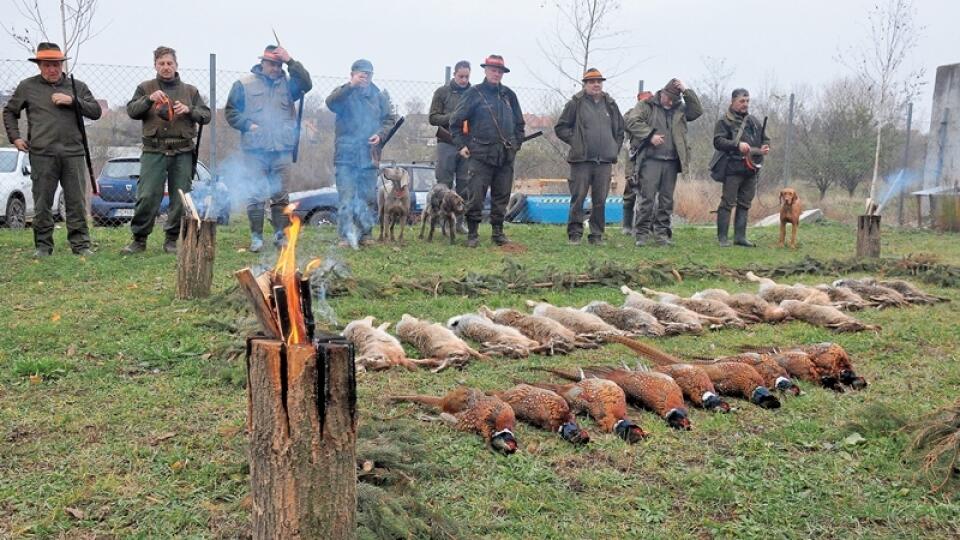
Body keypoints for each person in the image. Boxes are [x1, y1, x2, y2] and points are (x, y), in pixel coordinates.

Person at [3, 42, 101, 257]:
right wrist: (15, 138)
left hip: (73, 152)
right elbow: (10, 111)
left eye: (56, 64)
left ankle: (81, 245)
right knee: (42, 202)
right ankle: (43, 246)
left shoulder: (77, 86)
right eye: (47, 65)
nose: (52, 69)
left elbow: (95, 112)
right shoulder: (27, 87)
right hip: (42, 153)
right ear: (39, 65)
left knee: (75, 201)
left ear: (61, 64)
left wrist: (73, 101)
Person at [122, 46, 211, 254]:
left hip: (182, 151)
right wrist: (149, 99)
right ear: (155, 65)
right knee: (147, 195)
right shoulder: (145, 88)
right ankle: (139, 239)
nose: (166, 67)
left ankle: (172, 239)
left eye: (169, 63)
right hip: (154, 151)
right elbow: (132, 111)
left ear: (176, 65)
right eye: (161, 63)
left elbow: (206, 115)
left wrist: (189, 110)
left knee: (181, 197)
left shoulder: (190, 91)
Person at [225, 45, 312, 253]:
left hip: (281, 149)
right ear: (262, 63)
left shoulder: (289, 85)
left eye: (278, 64)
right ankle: (256, 237)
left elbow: (307, 83)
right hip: (255, 150)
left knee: (281, 195)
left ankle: (280, 235)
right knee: (255, 194)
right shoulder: (243, 85)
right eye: (271, 63)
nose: (275, 68)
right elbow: (231, 112)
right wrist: (247, 125)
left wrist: (291, 60)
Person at [450, 54, 524, 248]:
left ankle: (498, 233)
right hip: (480, 154)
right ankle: (473, 234)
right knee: (476, 196)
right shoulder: (474, 93)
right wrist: (462, 145)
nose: (496, 74)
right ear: (485, 70)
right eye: (493, 70)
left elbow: (520, 124)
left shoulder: (509, 95)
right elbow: (455, 123)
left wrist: (516, 144)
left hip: (505, 155)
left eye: (499, 71)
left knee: (502, 196)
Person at [325, 58, 396, 249]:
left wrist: (380, 136)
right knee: (346, 197)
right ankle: (345, 236)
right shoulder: (343, 93)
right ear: (352, 74)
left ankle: (365, 235)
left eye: (368, 74)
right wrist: (351, 86)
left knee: (368, 197)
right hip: (346, 157)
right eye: (361, 74)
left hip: (369, 155)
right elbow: (330, 103)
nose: (365, 78)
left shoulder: (378, 96)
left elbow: (389, 119)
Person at [624, 78, 702, 246]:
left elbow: (697, 111)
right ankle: (641, 235)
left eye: (675, 99)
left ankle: (662, 235)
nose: (671, 102)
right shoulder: (646, 106)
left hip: (672, 161)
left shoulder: (679, 109)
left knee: (666, 201)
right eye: (670, 98)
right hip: (651, 160)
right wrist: (649, 135)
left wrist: (686, 90)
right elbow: (631, 121)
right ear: (663, 93)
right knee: (647, 199)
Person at [554, 68, 624, 245]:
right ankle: (575, 234)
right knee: (578, 198)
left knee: (600, 200)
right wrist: (577, 142)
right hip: (581, 161)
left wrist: (613, 148)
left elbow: (620, 130)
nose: (596, 84)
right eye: (592, 82)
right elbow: (560, 128)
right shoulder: (575, 103)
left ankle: (596, 235)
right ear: (585, 84)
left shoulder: (611, 104)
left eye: (599, 81)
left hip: (604, 162)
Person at [709, 88, 770, 247]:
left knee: (745, 203)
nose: (745, 104)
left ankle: (740, 237)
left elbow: (765, 139)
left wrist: (765, 146)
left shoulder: (754, 121)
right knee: (727, 203)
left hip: (751, 169)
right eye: (742, 101)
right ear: (733, 101)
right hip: (732, 167)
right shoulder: (724, 121)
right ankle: (722, 238)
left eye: (747, 101)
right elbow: (718, 142)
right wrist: (737, 145)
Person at [429, 60, 471, 233]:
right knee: (444, 184)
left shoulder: (473, 93)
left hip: (467, 144)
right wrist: (453, 117)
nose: (464, 80)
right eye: (461, 76)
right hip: (446, 142)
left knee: (465, 184)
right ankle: (442, 222)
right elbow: (433, 118)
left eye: (467, 76)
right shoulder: (442, 92)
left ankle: (460, 223)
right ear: (454, 74)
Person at [622, 90, 653, 236]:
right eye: (644, 100)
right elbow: (628, 124)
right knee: (630, 192)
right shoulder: (630, 115)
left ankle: (646, 226)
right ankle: (627, 225)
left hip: (650, 159)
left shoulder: (656, 115)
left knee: (648, 195)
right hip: (633, 159)